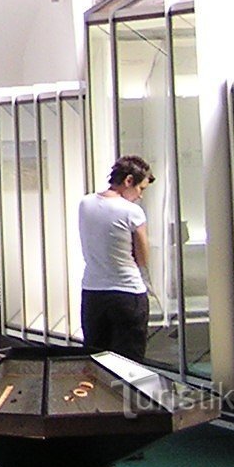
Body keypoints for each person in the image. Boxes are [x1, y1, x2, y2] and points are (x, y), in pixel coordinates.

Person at [79, 154, 153, 361]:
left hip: (93, 293)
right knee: (129, 363)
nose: (140, 196)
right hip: (127, 293)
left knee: (95, 359)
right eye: (141, 188)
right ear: (128, 180)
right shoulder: (132, 212)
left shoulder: (85, 203)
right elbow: (142, 258)